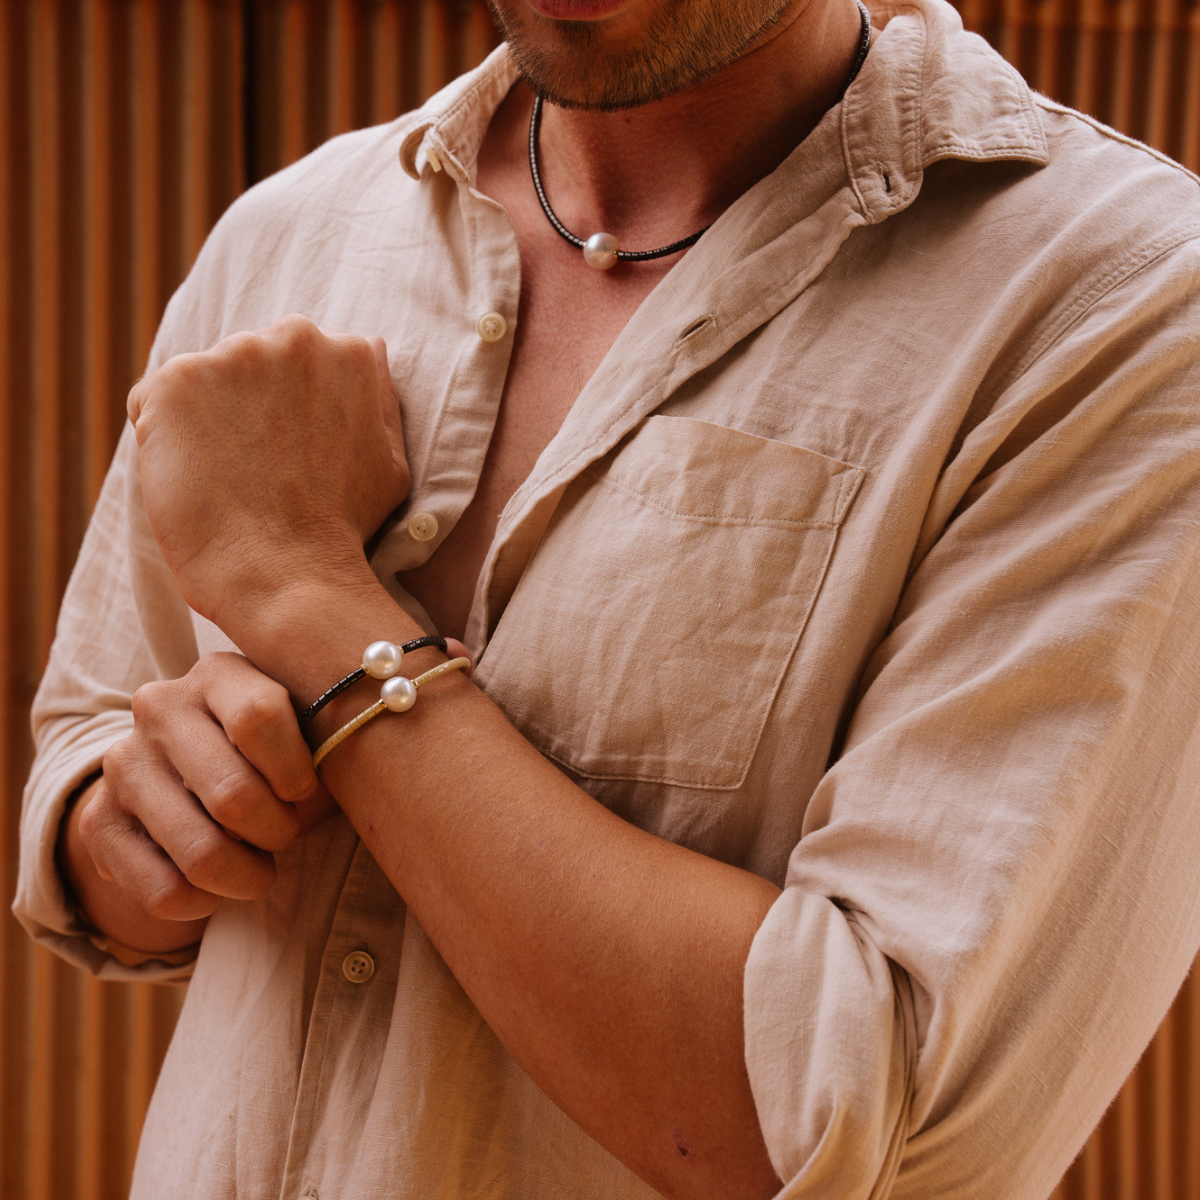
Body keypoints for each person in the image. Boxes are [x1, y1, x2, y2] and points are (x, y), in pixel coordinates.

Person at [15, 0, 1200, 1195]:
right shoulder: (293, 230)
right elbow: (87, 756)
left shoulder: (1124, 300)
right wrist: (147, 827)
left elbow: (867, 1121)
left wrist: (312, 603)